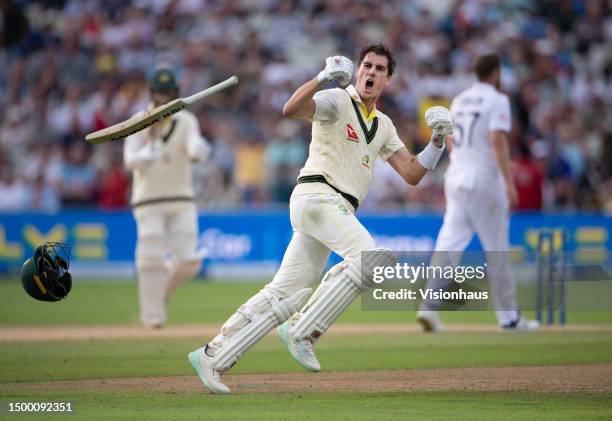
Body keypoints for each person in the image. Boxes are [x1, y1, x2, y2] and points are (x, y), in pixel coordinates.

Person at [188, 44, 453, 394]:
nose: (370, 73)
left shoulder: (384, 126)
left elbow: (412, 173)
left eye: (379, 69)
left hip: (333, 208)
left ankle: (212, 356)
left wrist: (436, 141)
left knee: (285, 293)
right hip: (317, 195)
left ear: (388, 79)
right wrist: (321, 77)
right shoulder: (337, 99)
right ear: (358, 70)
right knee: (370, 259)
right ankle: (303, 331)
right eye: (366, 66)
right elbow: (291, 109)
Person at [416, 54, 539, 332]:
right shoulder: (498, 100)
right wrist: (509, 182)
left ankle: (428, 308)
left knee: (448, 244)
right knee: (496, 251)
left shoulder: (459, 100)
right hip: (484, 179)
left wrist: (462, 157)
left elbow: (449, 137)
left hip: (457, 176)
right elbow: (497, 138)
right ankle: (509, 318)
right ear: (495, 74)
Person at [124, 67, 210, 328]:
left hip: (181, 198)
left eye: (169, 92)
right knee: (150, 255)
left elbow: (196, 145)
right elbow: (129, 160)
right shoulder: (139, 120)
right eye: (161, 92)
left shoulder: (186, 120)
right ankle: (153, 317)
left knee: (189, 261)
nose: (165, 97)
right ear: (152, 93)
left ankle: (157, 298)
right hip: (148, 199)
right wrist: (143, 157)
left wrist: (198, 151)